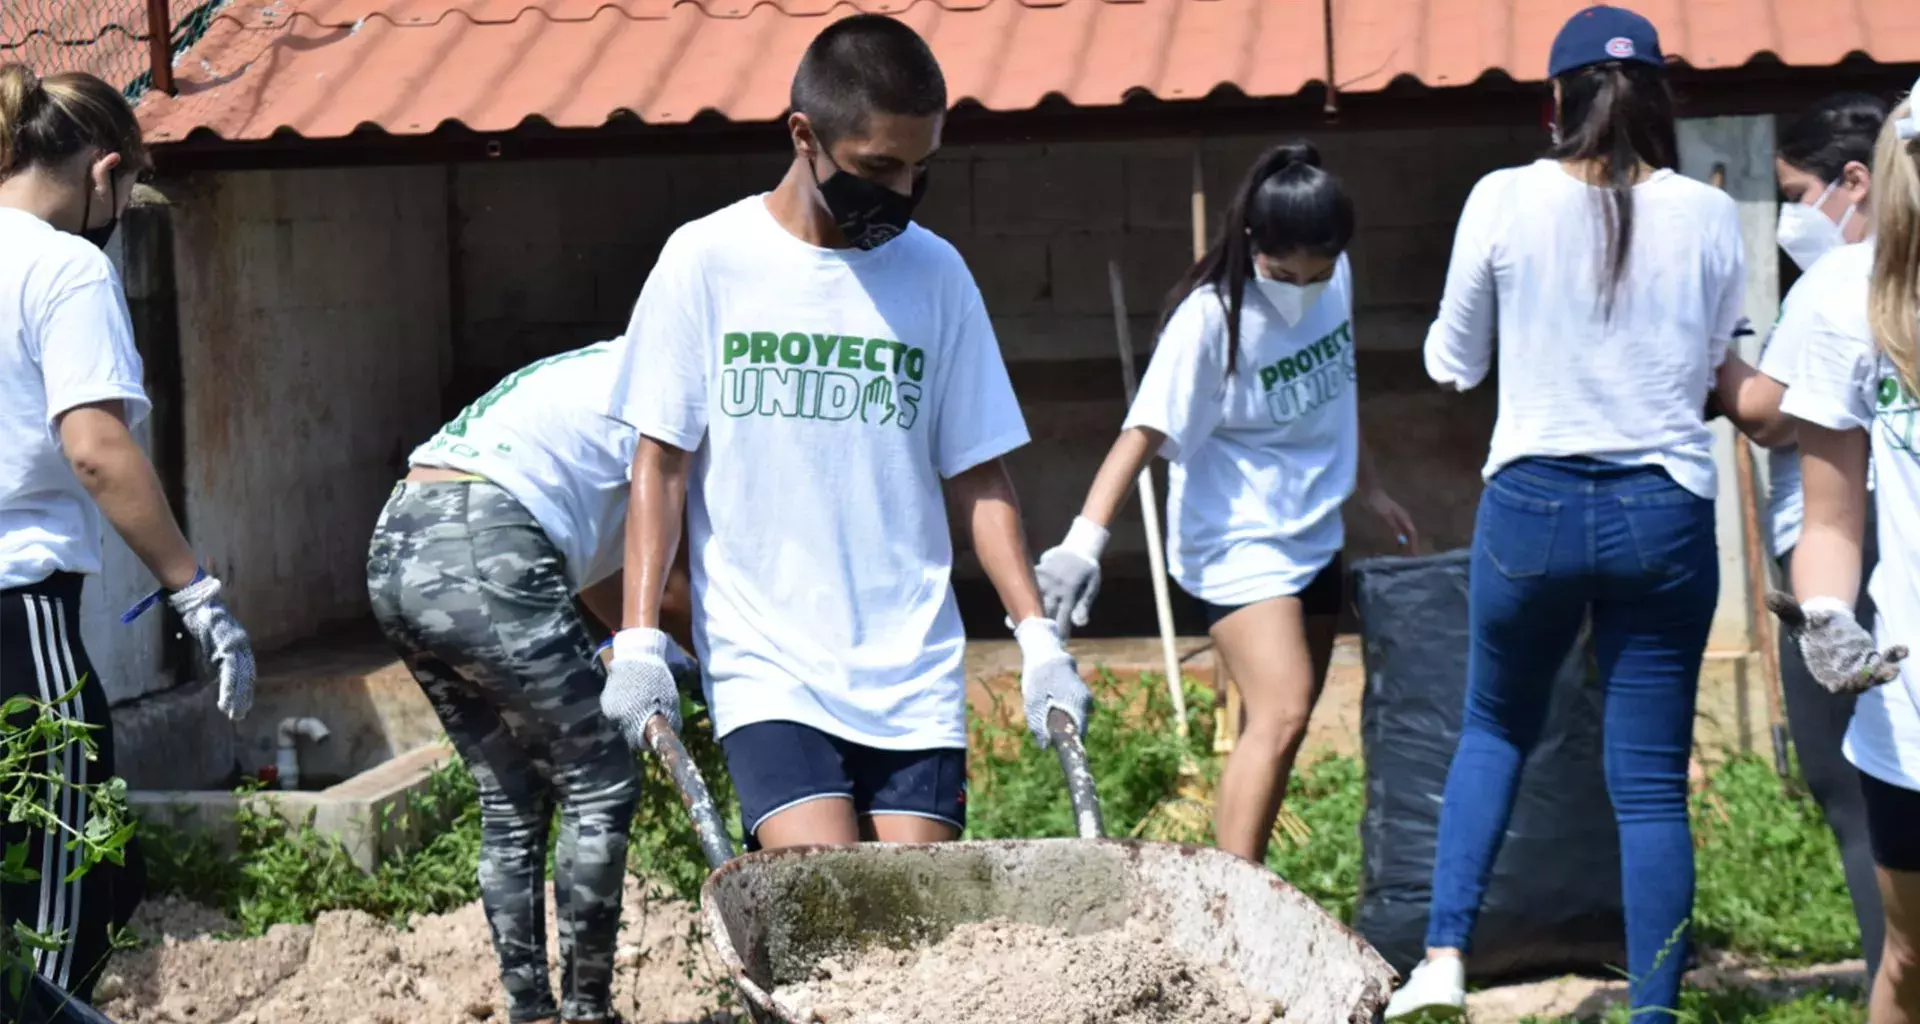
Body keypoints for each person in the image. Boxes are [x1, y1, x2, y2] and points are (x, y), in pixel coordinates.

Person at [600, 15, 1090, 852]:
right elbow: (663, 463)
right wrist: (642, 636)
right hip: (770, 664)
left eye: (920, 168)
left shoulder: (935, 275)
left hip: (912, 666)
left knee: (914, 929)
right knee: (825, 908)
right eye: (878, 168)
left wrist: (1037, 636)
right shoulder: (708, 260)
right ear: (804, 135)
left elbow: (978, 476)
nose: (900, 192)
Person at [1383, 6, 1755, 1018]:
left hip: (1534, 507)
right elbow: (1721, 371)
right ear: (1658, 97)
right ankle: (1655, 1008)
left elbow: (1452, 365)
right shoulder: (1710, 215)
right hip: (1665, 511)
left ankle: (1447, 960)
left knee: (1494, 729)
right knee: (1647, 786)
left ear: (1557, 101)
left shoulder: (1503, 198)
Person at [1030, 141, 1417, 864]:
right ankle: (1231, 908)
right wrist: (1085, 540)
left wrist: (1370, 485)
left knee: (1279, 730)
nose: (1300, 286)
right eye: (1282, 272)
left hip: (1316, 530)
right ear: (1251, 244)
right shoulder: (1210, 320)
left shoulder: (1336, 281)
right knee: (1283, 707)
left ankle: (1246, 874)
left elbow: (1337, 386)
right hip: (1240, 540)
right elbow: (1140, 435)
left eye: (1317, 271)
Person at [0, 64, 254, 1013]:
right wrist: (196, 590)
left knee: (89, 874)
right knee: (65, 898)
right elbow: (98, 448)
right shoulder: (62, 266)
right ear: (104, 172)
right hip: (17, 616)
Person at [367, 340, 699, 1024]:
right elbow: (677, 579)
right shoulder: (684, 386)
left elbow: (613, 573)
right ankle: (586, 1012)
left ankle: (533, 1010)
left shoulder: (607, 369)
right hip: (483, 538)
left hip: (398, 539)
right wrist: (727, 669)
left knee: (513, 790)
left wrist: (660, 652)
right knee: (600, 777)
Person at [1771, 79, 1920, 1023]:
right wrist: (1826, 614)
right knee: (1910, 958)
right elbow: (1827, 523)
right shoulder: (1850, 305)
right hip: (1913, 710)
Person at [1753, 92, 1892, 985]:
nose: (1790, 217)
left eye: (1797, 193)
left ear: (1854, 182)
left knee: (1852, 791)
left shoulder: (1839, 282)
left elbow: (1771, 416)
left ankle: (1892, 967)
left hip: (1839, 551)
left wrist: (1716, 367)